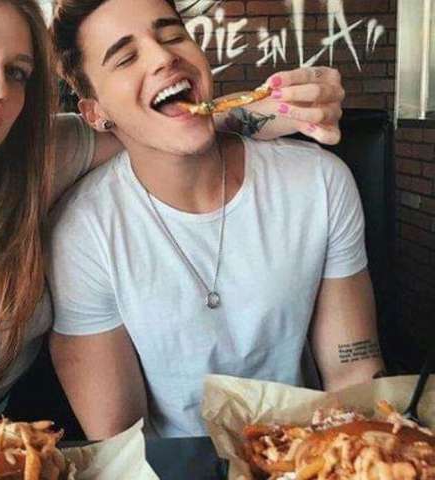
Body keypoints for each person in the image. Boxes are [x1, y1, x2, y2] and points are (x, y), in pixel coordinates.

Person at [0, 0, 345, 447]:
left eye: (18, 71)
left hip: (22, 443)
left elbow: (158, 124)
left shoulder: (39, 159)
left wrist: (289, 105)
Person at [47, 0, 385, 440]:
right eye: (126, 57)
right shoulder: (82, 235)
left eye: (172, 35)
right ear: (95, 113)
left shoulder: (319, 181)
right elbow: (122, 442)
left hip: (309, 453)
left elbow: (353, 372)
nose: (164, 56)